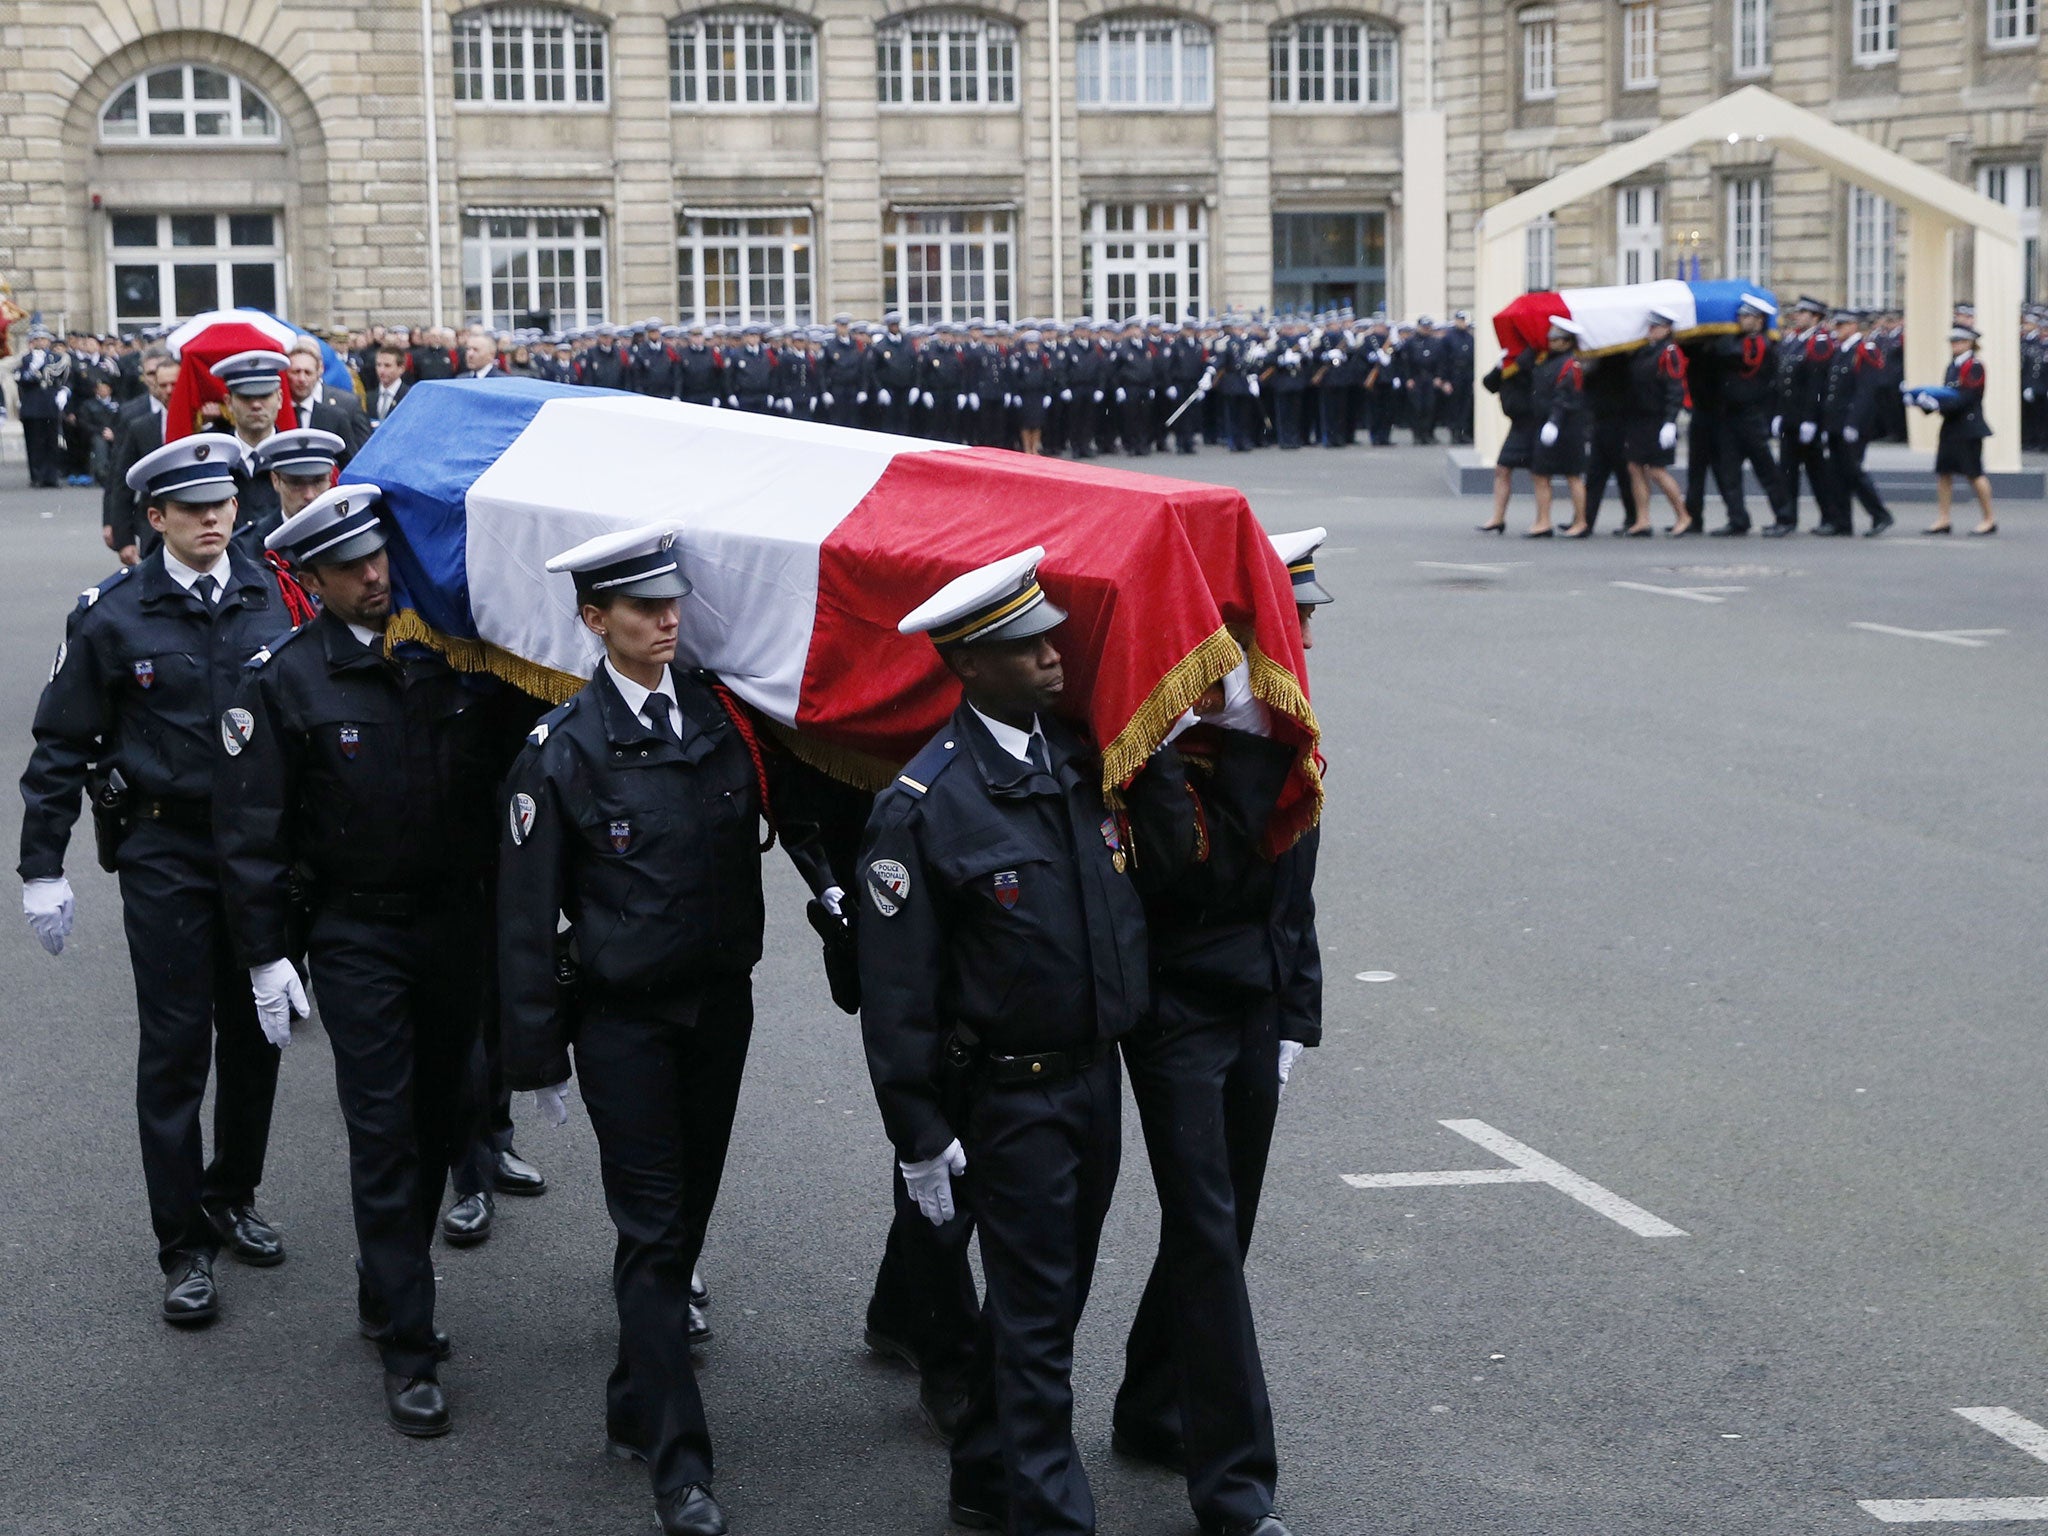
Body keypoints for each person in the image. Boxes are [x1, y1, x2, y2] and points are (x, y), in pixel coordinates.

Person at [496, 526, 838, 1536]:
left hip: (716, 1009)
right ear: (595, 619)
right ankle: (679, 1468)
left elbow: (798, 812)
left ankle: (630, 1394)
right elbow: (523, 915)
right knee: (653, 1233)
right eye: (642, 607)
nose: (666, 617)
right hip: (623, 1024)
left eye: (673, 600)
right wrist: (537, 1054)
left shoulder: (724, 718)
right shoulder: (562, 750)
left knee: (683, 1216)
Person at [216, 484, 531, 1437]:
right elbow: (251, 833)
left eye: (380, 557)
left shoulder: (452, 662)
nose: (374, 575)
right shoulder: (287, 680)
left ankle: (382, 1277)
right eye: (350, 566)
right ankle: (409, 1339)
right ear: (310, 578)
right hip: (356, 933)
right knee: (385, 1129)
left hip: (454, 928)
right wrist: (267, 957)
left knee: (445, 1120)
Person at [859, 548, 1149, 1535]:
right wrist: (918, 1132)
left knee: (1049, 1309)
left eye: (1047, 636)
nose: (1051, 656)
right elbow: (896, 994)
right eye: (1023, 647)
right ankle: (1048, 1514)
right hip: (1010, 1097)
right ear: (969, 666)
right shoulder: (923, 806)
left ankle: (985, 1475)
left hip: (1090, 1083)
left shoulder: (1076, 765)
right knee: (1033, 1322)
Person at [19, 436, 300, 1327]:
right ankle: (182, 1246)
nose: (215, 518)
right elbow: (61, 745)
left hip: (259, 853)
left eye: (223, 503)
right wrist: (40, 866)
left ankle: (233, 1192)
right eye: (194, 508)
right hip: (165, 852)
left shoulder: (271, 594)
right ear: (156, 517)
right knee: (178, 1047)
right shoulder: (110, 616)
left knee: (257, 1036)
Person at [1108, 533, 1325, 1536]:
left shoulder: (1278, 727)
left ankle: (1153, 1408)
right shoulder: (1160, 734)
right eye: (1286, 626)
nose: (1300, 645)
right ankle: (1233, 1484)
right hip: (1173, 1004)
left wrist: (1296, 1014)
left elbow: (1296, 890)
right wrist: (1165, 750)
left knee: (1222, 1227)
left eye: (1306, 625)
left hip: (1252, 1001)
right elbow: (1188, 870)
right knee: (1202, 1228)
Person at [1710, 294, 1792, 537]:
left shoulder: (1761, 344)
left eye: (1746, 316)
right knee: (1729, 472)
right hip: (1730, 416)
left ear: (1759, 320)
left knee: (1767, 471)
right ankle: (1737, 518)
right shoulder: (1738, 340)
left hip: (1752, 416)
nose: (1741, 320)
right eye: (1740, 316)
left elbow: (1735, 354)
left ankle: (1784, 517)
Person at [1818, 310, 1893, 537]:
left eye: (1841, 325)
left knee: (1853, 472)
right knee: (1835, 473)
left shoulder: (1864, 350)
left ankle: (1880, 514)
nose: (1836, 329)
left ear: (1853, 326)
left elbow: (1866, 391)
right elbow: (1833, 390)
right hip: (1835, 421)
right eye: (1836, 325)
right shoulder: (1841, 350)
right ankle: (1842, 521)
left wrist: (1854, 423)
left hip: (1852, 422)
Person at [1917, 325, 1997, 536]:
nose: (1954, 345)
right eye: (1953, 342)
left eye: (1959, 341)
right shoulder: (1953, 366)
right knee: (1944, 472)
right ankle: (1944, 518)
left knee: (1974, 473)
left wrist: (1936, 404)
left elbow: (1966, 398)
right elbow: (1946, 394)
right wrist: (1925, 402)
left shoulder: (1974, 366)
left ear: (1970, 343)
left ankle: (1989, 518)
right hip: (1952, 425)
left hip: (1968, 426)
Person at [207, 349, 291, 538]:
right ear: (228, 402)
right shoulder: (213, 458)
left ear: (280, 398)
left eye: (264, 396)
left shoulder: (294, 457)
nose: (256, 405)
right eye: (246, 397)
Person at [1624, 308, 1693, 536]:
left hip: (1658, 418)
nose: (1651, 331)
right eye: (1650, 327)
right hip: (1640, 418)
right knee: (1634, 467)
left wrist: (1670, 421)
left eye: (1656, 327)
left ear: (1667, 329)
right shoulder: (1645, 351)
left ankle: (1683, 516)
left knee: (1656, 470)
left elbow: (1676, 388)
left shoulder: (1670, 352)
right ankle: (1643, 519)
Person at [103, 352, 176, 562]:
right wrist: (123, 537)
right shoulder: (139, 425)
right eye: (162, 385)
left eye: (174, 384)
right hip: (152, 528)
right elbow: (120, 480)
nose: (168, 391)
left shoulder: (203, 426)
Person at [1526, 319, 1589, 538]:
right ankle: (1543, 521)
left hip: (1567, 427)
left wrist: (1554, 421)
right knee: (1540, 474)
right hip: (1547, 424)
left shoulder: (1571, 364)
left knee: (1573, 475)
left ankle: (1581, 522)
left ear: (1568, 342)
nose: (1551, 342)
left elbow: (1565, 396)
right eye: (1551, 338)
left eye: (1557, 339)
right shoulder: (1548, 360)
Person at [244, 427, 345, 551]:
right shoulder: (250, 545)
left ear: (330, 478)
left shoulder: (347, 535)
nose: (309, 495)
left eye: (318, 481)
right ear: (275, 480)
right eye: (296, 483)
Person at [1478, 345, 1537, 534]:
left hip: (1534, 421)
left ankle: (1543, 520)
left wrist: (1516, 365)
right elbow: (1489, 384)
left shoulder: (1533, 354)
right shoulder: (1509, 357)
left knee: (1540, 475)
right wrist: (1499, 366)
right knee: (1502, 468)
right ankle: (1498, 518)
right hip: (1517, 424)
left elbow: (1533, 381)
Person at [285, 343, 372, 460]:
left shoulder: (340, 412)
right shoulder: (276, 413)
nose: (302, 379)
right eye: (296, 372)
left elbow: (354, 458)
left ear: (318, 373)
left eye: (308, 372)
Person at [15, 326, 67, 487]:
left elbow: (63, 377)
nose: (40, 342)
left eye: (43, 339)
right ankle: (36, 475)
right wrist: (33, 368)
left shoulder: (56, 358)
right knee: (34, 443)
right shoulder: (25, 359)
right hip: (32, 405)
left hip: (49, 404)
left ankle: (51, 476)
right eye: (36, 339)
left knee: (51, 442)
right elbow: (20, 378)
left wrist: (64, 392)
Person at [366, 345, 409, 425]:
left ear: (401, 369)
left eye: (387, 366)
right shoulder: (370, 397)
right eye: (378, 365)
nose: (381, 370)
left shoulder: (408, 396)